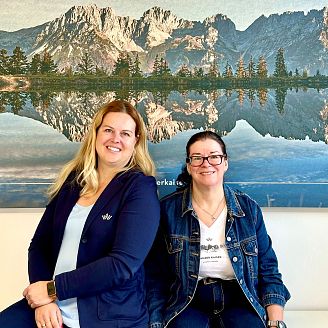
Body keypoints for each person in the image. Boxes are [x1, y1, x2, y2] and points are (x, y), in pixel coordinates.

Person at [0, 99, 161, 328]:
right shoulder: (73, 182)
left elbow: (121, 265)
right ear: (95, 134)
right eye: (108, 130)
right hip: (53, 307)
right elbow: (40, 244)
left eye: (125, 133)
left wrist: (52, 290)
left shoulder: (140, 188)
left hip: (108, 315)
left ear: (136, 141)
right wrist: (43, 301)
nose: (115, 139)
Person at [146, 131, 290, 328]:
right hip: (186, 302)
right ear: (189, 166)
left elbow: (269, 271)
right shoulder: (167, 211)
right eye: (197, 158)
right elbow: (156, 277)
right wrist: (156, 323)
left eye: (214, 156)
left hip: (240, 300)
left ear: (225, 163)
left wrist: (275, 323)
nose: (206, 163)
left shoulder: (249, 210)